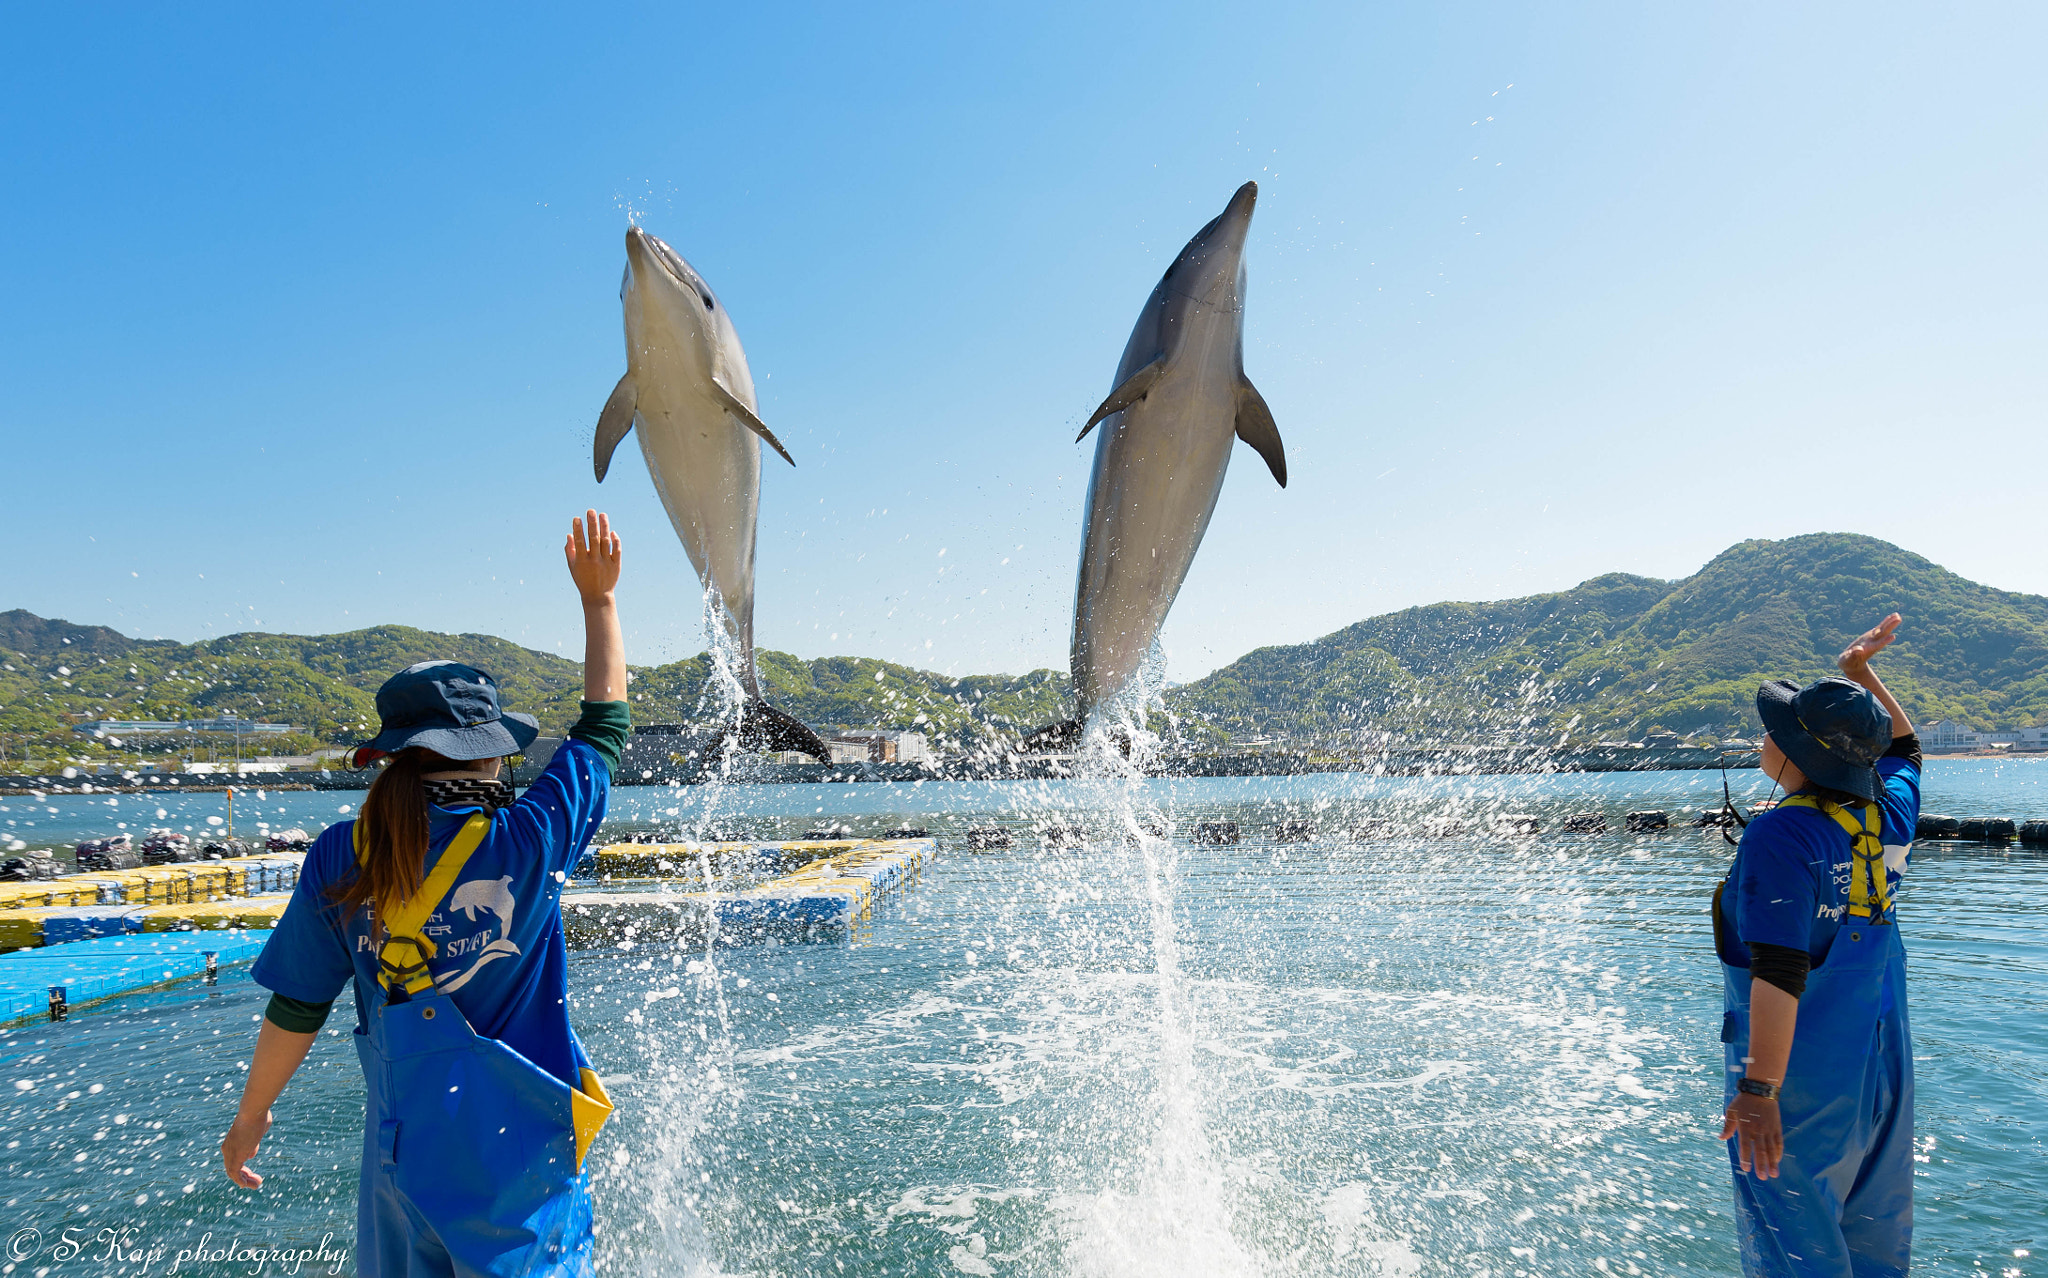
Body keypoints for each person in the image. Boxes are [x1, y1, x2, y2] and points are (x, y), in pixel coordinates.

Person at [221, 511, 630, 1278]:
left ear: (391, 755)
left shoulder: (345, 854)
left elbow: (297, 1006)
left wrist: (251, 1117)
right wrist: (599, 602)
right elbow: (605, 726)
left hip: (400, 1169)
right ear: (494, 753)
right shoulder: (533, 836)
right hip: (517, 1179)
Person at [1713, 613, 1923, 1277]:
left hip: (1803, 1077)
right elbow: (1908, 752)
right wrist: (1861, 675)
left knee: (1793, 1249)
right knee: (1874, 1247)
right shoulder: (1887, 811)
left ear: (1800, 755)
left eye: (1773, 732)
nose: (1762, 738)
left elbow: (1779, 969)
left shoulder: (1782, 837)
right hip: (1882, 1062)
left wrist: (1759, 1089)